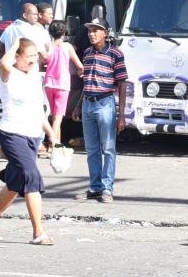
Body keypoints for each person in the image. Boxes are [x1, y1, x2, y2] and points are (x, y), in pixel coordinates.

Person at [0, 36, 53, 245]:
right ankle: (39, 232)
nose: (32, 60)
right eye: (28, 56)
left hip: (32, 135)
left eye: (35, 56)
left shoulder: (34, 76)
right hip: (12, 134)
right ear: (16, 56)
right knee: (31, 177)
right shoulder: (8, 74)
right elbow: (3, 63)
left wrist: (51, 133)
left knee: (16, 182)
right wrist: (17, 42)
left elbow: (38, 109)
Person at [78, 19, 127, 202]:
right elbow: (86, 81)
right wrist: (78, 105)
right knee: (91, 149)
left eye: (96, 31)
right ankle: (95, 187)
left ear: (105, 33)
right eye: (90, 30)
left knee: (108, 148)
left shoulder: (115, 54)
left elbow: (122, 85)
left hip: (105, 103)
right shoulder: (87, 53)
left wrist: (121, 115)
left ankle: (107, 188)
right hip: (87, 104)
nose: (92, 34)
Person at [40, 18, 81, 166]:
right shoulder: (68, 46)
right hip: (63, 84)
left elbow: (43, 61)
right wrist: (82, 72)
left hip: (49, 83)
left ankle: (57, 145)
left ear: (51, 32)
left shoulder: (48, 47)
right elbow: (79, 65)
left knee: (54, 115)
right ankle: (53, 146)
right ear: (64, 32)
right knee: (58, 118)